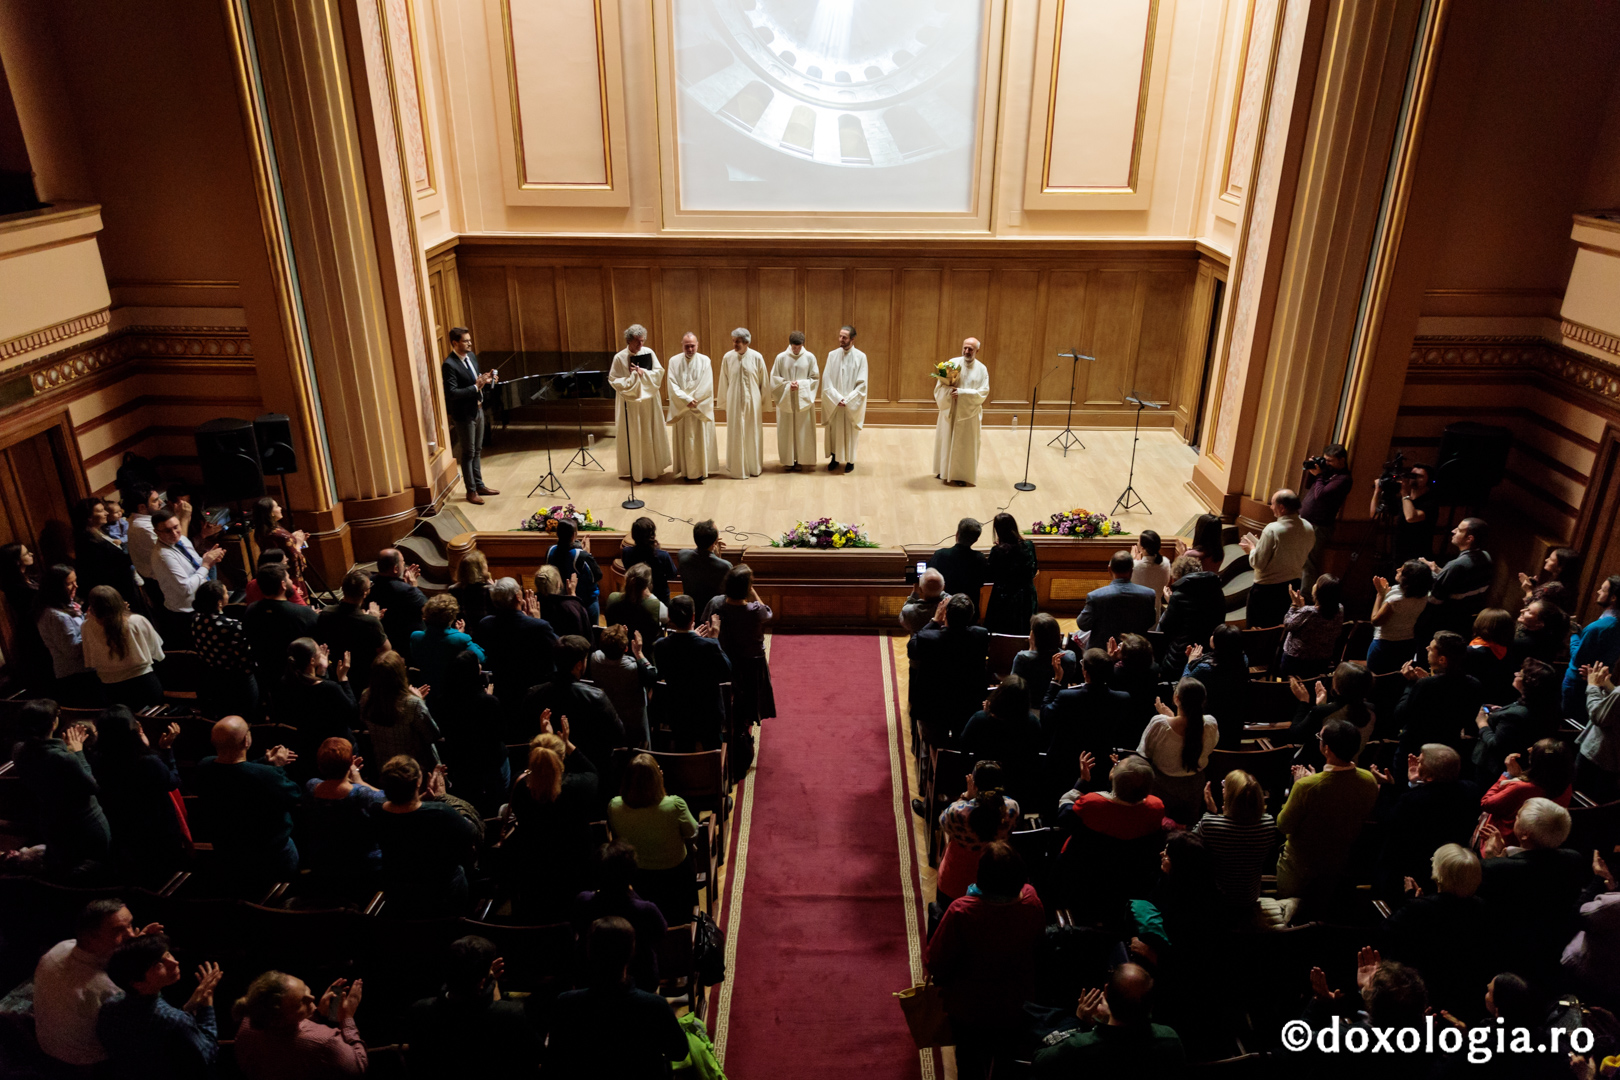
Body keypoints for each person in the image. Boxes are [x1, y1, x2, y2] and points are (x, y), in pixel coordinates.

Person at [924, 842, 1046, 1080]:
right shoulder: (1032, 901)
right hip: (1015, 1004)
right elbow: (1038, 945)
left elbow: (936, 961)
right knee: (1004, 1063)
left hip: (968, 1009)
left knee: (968, 1063)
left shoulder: (961, 911)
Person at [547, 917, 689, 1078]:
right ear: (632, 952)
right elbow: (679, 1052)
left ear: (589, 951)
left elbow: (554, 1061)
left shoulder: (565, 1004)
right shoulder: (655, 1006)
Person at [33, 899, 160, 1068]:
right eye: (118, 930)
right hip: (86, 1062)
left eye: (130, 925)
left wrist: (133, 947)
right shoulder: (111, 988)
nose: (131, 934)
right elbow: (133, 1034)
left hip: (47, 1044)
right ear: (90, 939)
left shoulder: (60, 948)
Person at [1477, 797, 1588, 983]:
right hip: (1554, 949)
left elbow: (1487, 911)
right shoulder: (1573, 860)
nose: (1515, 817)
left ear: (1525, 835)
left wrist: (1491, 859)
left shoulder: (1494, 869)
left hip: (1506, 954)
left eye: (1518, 816)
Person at [1274, 718, 1379, 912]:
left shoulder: (1306, 786)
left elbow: (1283, 825)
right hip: (1338, 862)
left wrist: (1299, 785)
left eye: (1319, 738)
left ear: (1327, 749)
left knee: (1289, 911)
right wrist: (1313, 780)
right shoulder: (1369, 780)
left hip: (1300, 866)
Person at [406, 935, 542, 1077]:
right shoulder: (511, 1016)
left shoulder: (419, 1011)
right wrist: (493, 985)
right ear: (482, 982)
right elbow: (537, 1055)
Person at [1382, 844, 1490, 1016]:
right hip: (1467, 998)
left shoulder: (1417, 911)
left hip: (1423, 996)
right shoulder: (1483, 908)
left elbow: (1388, 933)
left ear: (1439, 873)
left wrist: (1413, 901)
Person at [96, 934, 222, 1080]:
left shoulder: (109, 1007)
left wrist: (187, 1009)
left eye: (167, 954)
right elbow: (207, 1053)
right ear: (138, 983)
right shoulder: (175, 1021)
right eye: (159, 965)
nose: (174, 962)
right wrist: (207, 1005)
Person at [192, 716, 303, 880]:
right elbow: (294, 794)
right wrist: (278, 768)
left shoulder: (204, 767)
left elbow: (236, 771)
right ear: (246, 740)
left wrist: (265, 763)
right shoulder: (267, 777)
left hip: (226, 851)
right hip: (269, 855)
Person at [504, 732, 601, 920]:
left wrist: (544, 748)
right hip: (574, 867)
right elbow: (593, 772)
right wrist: (567, 743)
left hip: (534, 868)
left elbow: (531, 773)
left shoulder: (519, 786)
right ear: (562, 758)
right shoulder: (579, 787)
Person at [12, 699, 110, 880]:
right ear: (53, 723)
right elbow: (92, 786)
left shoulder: (19, 751)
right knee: (95, 871)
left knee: (65, 870)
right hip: (84, 823)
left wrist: (65, 748)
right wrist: (77, 751)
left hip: (51, 822)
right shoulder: (64, 758)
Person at [1030, 963, 1185, 1077]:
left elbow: (1039, 1060)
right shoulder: (1170, 1040)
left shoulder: (1077, 1048)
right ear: (1151, 1005)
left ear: (1105, 992)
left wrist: (1077, 1023)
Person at [374, 754, 479, 916]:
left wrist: (423, 799)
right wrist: (442, 796)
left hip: (400, 898)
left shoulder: (375, 812)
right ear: (418, 782)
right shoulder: (442, 813)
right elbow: (472, 833)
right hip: (443, 897)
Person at [1369, 743, 1479, 897]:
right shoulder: (1471, 790)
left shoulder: (1413, 801)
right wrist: (1417, 783)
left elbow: (1387, 821)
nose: (1416, 763)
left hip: (1411, 869)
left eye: (1420, 762)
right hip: (1450, 866)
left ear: (1430, 776)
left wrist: (1387, 786)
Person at [94, 707, 187, 882]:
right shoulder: (148, 761)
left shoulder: (99, 760)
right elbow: (173, 782)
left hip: (124, 831)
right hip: (158, 831)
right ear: (133, 730)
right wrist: (166, 749)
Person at [608, 753, 699, 924]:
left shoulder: (614, 806)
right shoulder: (674, 805)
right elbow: (692, 832)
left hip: (637, 878)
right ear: (658, 778)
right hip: (676, 877)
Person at [231, 970, 365, 1080]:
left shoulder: (248, 1024)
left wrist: (318, 1015)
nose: (312, 998)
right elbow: (359, 1066)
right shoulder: (326, 1042)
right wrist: (347, 1018)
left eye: (304, 989)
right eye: (301, 1002)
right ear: (279, 1019)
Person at [573, 841, 669, 991]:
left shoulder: (583, 902)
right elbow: (661, 933)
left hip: (589, 979)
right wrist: (632, 893)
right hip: (641, 981)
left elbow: (576, 926)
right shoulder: (646, 910)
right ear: (631, 874)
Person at [519, 635, 625, 770]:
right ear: (579, 665)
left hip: (550, 766)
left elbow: (525, 732)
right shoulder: (597, 697)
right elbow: (619, 735)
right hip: (590, 767)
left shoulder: (533, 694)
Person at [300, 737, 384, 890]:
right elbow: (389, 798)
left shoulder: (311, 787)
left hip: (323, 867)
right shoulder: (361, 794)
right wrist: (358, 780)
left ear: (319, 766)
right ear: (351, 761)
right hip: (363, 869)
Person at [1194, 770, 1278, 922]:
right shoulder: (1268, 823)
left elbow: (1190, 845)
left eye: (1225, 787)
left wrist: (1211, 813)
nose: (1223, 789)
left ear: (1230, 797)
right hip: (1249, 897)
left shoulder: (1210, 823)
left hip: (1217, 897)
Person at [650, 594, 731, 752]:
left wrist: (694, 637)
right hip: (708, 714)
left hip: (678, 712)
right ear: (693, 617)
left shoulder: (660, 646)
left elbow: (663, 672)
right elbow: (726, 670)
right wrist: (714, 639)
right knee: (712, 751)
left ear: (670, 618)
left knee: (683, 749)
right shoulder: (709, 646)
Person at [1041, 648, 1137, 779]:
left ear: (1085, 672)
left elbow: (1045, 716)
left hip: (1063, 763)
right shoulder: (1123, 699)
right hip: (1100, 763)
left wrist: (1056, 680)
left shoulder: (1066, 697)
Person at [908, 593, 990, 746]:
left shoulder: (928, 638)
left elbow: (911, 649)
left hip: (933, 709)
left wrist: (934, 620)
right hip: (966, 706)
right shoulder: (980, 635)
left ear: (945, 614)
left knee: (934, 742)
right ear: (971, 616)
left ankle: (933, 756)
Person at [1136, 677, 1220, 823]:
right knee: (1190, 824)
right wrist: (1171, 717)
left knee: (1160, 823)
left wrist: (1167, 718)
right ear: (1203, 701)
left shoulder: (1159, 724)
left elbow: (1146, 753)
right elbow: (1208, 746)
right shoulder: (1210, 724)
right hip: (1195, 785)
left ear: (1176, 698)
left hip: (1161, 785)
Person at [936, 759, 1021, 902]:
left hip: (955, 883)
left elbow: (943, 822)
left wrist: (966, 796)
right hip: (992, 883)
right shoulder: (1012, 808)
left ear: (974, 785)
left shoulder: (957, 812)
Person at [1472, 657, 1560, 786]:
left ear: (1528, 684)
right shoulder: (1547, 706)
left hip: (1494, 770)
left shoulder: (1515, 715)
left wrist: (1482, 724)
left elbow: (1496, 745)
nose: (1515, 674)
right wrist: (1501, 712)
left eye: (1520, 674)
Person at [1394, 631, 1482, 758]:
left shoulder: (1425, 685)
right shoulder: (1474, 684)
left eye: (1431, 649)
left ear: (1442, 659)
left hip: (1416, 749)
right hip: (1449, 748)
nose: (1426, 648)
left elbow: (1400, 715)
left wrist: (1412, 684)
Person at [712, 564, 776, 732]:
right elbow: (767, 614)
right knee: (751, 695)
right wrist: (753, 592)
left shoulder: (718, 607)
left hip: (729, 660)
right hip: (753, 663)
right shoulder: (755, 610)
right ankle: (748, 723)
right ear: (747, 588)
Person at [1238, 489, 1314, 629]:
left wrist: (1251, 549)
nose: (1271, 507)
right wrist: (1260, 545)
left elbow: (1258, 563)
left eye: (1273, 504)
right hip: (1293, 587)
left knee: (1258, 632)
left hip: (1266, 591)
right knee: (1278, 629)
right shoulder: (1308, 527)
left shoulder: (1273, 529)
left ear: (1282, 508)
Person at [961, 678, 1042, 808]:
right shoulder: (1033, 723)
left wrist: (985, 713)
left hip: (982, 785)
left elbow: (963, 746)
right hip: (1018, 787)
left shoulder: (980, 719)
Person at [272, 637, 359, 757]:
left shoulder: (285, 684)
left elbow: (316, 698)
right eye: (319, 652)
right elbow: (353, 712)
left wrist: (322, 672)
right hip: (337, 748)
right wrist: (343, 678)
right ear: (312, 661)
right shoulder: (330, 688)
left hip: (309, 745)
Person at [82, 584, 166, 708]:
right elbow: (156, 650)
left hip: (110, 688)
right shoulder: (136, 621)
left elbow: (89, 656)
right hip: (143, 683)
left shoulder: (86, 626)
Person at [442, 325, 500, 504]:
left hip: (478, 409)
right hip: (464, 414)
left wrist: (487, 379)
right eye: (465, 341)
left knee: (477, 450)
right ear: (455, 343)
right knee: (468, 453)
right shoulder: (449, 365)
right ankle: (471, 491)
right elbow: (452, 393)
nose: (469, 343)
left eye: (469, 340)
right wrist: (476, 387)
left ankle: (480, 485)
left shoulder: (471, 357)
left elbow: (476, 379)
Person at [186, 579, 258, 720]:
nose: (228, 595)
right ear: (219, 602)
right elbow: (246, 655)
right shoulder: (232, 626)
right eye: (226, 593)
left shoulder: (196, 619)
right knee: (249, 714)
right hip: (239, 678)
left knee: (226, 712)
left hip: (213, 675)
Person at [361, 649, 441, 772]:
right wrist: (420, 700)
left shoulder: (366, 697)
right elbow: (432, 735)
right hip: (412, 768)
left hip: (384, 765)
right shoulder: (413, 704)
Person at [609, 323, 671, 481]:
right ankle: (635, 470)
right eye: (637, 341)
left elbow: (659, 373)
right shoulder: (619, 358)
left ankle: (652, 469)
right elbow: (613, 380)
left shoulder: (648, 352)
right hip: (630, 404)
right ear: (628, 341)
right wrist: (632, 377)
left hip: (648, 402)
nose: (641, 344)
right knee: (634, 435)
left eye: (642, 340)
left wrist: (643, 373)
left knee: (649, 432)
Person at [1285, 662, 1376, 770]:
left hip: (1316, 768)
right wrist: (1322, 706)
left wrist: (1304, 702)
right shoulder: (1372, 710)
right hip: (1351, 767)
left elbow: (1295, 735)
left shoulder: (1323, 712)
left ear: (1337, 685)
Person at [1479, 737, 1574, 838]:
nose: (1529, 749)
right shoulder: (1566, 785)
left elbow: (1486, 803)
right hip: (1541, 839)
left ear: (1537, 763)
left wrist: (1507, 775)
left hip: (1506, 839)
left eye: (1535, 750)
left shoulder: (1521, 788)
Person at [1058, 752, 1165, 842]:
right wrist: (1116, 782)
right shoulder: (1156, 807)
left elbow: (1065, 814)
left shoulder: (1092, 803)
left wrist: (1082, 782)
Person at [243, 562, 319, 687]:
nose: (291, 582)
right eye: (288, 578)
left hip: (267, 676)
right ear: (283, 585)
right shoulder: (304, 614)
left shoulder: (251, 610)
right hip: (301, 680)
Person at [314, 569, 390, 690]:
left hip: (336, 671)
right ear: (365, 593)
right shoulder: (370, 622)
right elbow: (386, 650)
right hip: (364, 677)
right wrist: (375, 619)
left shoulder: (326, 612)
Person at [1422, 516, 1494, 640]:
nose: (1453, 531)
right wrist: (1439, 571)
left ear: (1469, 539)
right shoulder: (1486, 556)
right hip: (1468, 619)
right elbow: (1462, 583)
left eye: (1459, 530)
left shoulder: (1456, 565)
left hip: (1446, 621)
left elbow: (1435, 600)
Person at [589, 624, 657, 751]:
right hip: (634, 722)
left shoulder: (594, 658)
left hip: (607, 717)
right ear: (626, 649)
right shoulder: (635, 668)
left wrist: (619, 639)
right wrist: (639, 653)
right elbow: (653, 675)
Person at [35, 563, 96, 705]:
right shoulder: (57, 616)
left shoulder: (64, 607)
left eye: (75, 581)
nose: (76, 586)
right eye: (69, 583)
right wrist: (91, 626)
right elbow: (72, 651)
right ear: (56, 587)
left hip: (83, 672)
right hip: (76, 676)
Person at [1157, 553, 1225, 679]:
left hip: (1180, 657)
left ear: (1178, 576)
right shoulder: (1216, 591)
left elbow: (1167, 627)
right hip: (1209, 652)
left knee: (1159, 630)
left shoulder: (1179, 595)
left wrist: (1170, 602)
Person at [150, 507, 225, 618]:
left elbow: (195, 565)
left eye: (176, 527)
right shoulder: (163, 556)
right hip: (187, 611)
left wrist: (208, 559)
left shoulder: (182, 539)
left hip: (202, 601)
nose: (174, 533)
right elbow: (186, 589)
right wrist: (206, 565)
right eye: (167, 531)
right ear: (157, 532)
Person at [933, 336, 989, 486]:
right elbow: (940, 386)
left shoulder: (982, 369)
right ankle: (943, 470)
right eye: (965, 348)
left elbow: (983, 392)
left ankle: (961, 475)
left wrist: (962, 394)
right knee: (946, 438)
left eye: (970, 349)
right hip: (950, 409)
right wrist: (949, 392)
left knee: (964, 444)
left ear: (977, 350)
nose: (967, 351)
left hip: (967, 413)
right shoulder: (952, 363)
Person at [1564, 574, 1620, 721]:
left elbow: (1578, 658)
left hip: (1577, 680)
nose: (1598, 592)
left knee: (1568, 720)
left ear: (1613, 597)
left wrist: (1574, 634)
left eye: (1603, 590)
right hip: (1601, 681)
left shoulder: (1598, 627)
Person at [1185, 624, 1251, 749]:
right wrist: (1201, 658)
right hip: (1233, 719)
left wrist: (1190, 662)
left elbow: (1185, 685)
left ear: (1218, 643)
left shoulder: (1204, 669)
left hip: (1209, 720)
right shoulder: (1243, 659)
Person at [1298, 444, 1351, 595]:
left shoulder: (1344, 479)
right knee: (1299, 558)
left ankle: (1305, 597)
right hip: (1306, 521)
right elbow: (1309, 485)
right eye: (1325, 459)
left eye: (1330, 461)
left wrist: (1320, 475)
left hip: (1319, 526)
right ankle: (1296, 590)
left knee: (1309, 562)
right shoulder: (1327, 473)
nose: (1326, 463)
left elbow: (1321, 495)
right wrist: (1313, 470)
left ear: (1342, 460)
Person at [1077, 550, 1157, 649]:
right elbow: (1150, 622)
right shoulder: (1148, 595)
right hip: (1135, 651)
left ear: (1109, 569)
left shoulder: (1095, 596)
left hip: (1102, 652)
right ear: (1132, 571)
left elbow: (1083, 625)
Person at [665, 331, 718, 480]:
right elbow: (672, 383)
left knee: (699, 439)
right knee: (685, 440)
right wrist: (685, 399)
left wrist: (693, 400)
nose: (690, 349)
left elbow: (707, 385)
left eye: (692, 346)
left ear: (697, 345)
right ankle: (686, 470)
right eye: (687, 346)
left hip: (698, 406)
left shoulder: (705, 360)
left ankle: (701, 471)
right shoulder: (674, 361)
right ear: (682, 345)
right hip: (683, 407)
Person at [72, 496, 141, 607]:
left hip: (125, 586)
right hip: (117, 592)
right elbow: (103, 572)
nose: (106, 513)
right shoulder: (88, 542)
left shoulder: (101, 532)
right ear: (89, 517)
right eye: (100, 511)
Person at [717, 327, 767, 478]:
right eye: (733, 341)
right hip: (734, 400)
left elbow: (763, 382)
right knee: (736, 431)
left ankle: (753, 466)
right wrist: (724, 402)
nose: (734, 344)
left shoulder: (757, 357)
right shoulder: (727, 358)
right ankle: (736, 466)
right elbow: (724, 380)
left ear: (746, 342)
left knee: (752, 432)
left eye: (737, 341)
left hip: (752, 401)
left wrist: (763, 403)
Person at [409, 593, 485, 693]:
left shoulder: (415, 637)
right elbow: (481, 658)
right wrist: (459, 634)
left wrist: (457, 634)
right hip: (453, 691)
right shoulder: (461, 639)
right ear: (451, 616)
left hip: (426, 690)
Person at [1366, 559, 1431, 674]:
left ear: (1407, 578)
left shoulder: (1396, 600)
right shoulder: (1424, 596)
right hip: (1408, 644)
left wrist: (1380, 594)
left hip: (1385, 645)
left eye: (1402, 570)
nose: (1397, 569)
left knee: (1377, 678)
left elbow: (1375, 621)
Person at [1277, 574, 1344, 678]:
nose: (1314, 585)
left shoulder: (1308, 612)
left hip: (1295, 662)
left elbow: (1288, 624)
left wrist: (1294, 605)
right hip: (1322, 663)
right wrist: (1301, 609)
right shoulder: (1340, 609)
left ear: (1319, 593)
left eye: (1317, 584)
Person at [984, 512, 1038, 636]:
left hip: (1004, 597)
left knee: (1002, 630)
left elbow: (990, 575)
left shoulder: (997, 551)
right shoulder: (1029, 546)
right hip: (1026, 595)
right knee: (1024, 628)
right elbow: (1034, 570)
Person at [822, 324, 867, 472]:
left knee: (850, 432)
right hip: (835, 402)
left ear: (852, 339)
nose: (840, 339)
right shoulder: (832, 355)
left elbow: (862, 384)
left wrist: (848, 400)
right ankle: (835, 458)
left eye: (844, 337)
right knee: (835, 431)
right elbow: (827, 380)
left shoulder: (861, 357)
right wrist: (836, 398)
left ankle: (850, 461)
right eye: (840, 336)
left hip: (850, 403)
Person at [1371, 462, 1437, 562]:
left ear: (1428, 480)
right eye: (1412, 475)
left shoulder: (1430, 503)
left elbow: (1411, 517)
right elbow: (1375, 516)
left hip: (1418, 557)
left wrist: (1404, 493)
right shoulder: (1403, 500)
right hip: (1398, 554)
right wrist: (1377, 492)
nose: (1414, 479)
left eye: (1420, 476)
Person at [929, 517, 990, 622]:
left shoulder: (940, 555)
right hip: (970, 616)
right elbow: (983, 581)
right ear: (976, 540)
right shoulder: (980, 559)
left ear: (957, 534)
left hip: (943, 614)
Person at [545, 517, 602, 624]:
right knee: (592, 630)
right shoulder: (580, 556)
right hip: (584, 602)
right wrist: (587, 554)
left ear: (557, 534)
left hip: (559, 602)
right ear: (574, 535)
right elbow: (597, 576)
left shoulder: (550, 551)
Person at [1012, 612, 1076, 706]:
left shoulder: (1022, 659)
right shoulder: (1070, 657)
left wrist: (1031, 650)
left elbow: (1014, 687)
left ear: (1033, 637)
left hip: (1030, 707)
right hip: (1057, 707)